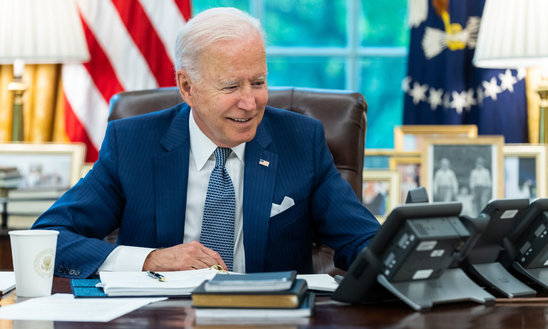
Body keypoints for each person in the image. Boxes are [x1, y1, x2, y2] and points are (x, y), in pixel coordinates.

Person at [32, 7, 380, 278]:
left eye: (257, 82)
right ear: (187, 88)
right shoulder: (133, 144)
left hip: (269, 320)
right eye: (230, 87)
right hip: (159, 318)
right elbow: (47, 239)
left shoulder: (300, 141)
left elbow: (363, 240)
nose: (249, 102)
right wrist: (150, 260)